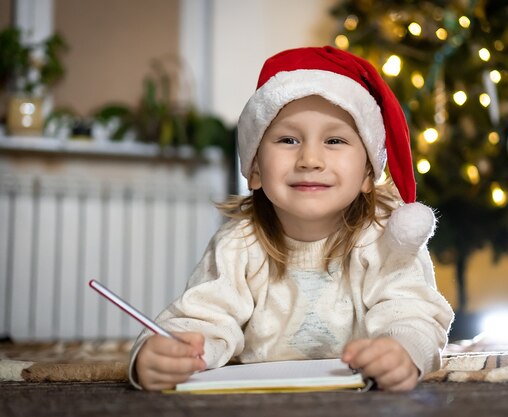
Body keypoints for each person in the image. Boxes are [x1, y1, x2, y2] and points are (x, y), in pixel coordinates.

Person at [129, 46, 454, 392]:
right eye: (288, 139)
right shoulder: (237, 246)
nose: (310, 159)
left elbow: (412, 314)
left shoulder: (385, 241)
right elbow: (200, 320)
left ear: (367, 174)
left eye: (334, 139)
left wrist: (401, 352)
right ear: (254, 169)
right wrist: (167, 353)